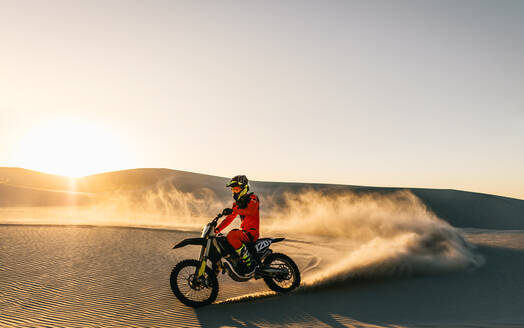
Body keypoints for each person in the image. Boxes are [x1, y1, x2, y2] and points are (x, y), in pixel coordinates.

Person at [216, 175, 260, 275]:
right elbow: (229, 219)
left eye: (236, 189)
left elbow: (250, 211)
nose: (234, 192)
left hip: (251, 232)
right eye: (233, 190)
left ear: (244, 188)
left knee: (232, 235)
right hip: (244, 232)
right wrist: (216, 230)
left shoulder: (253, 198)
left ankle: (249, 264)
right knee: (221, 239)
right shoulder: (236, 204)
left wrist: (233, 210)